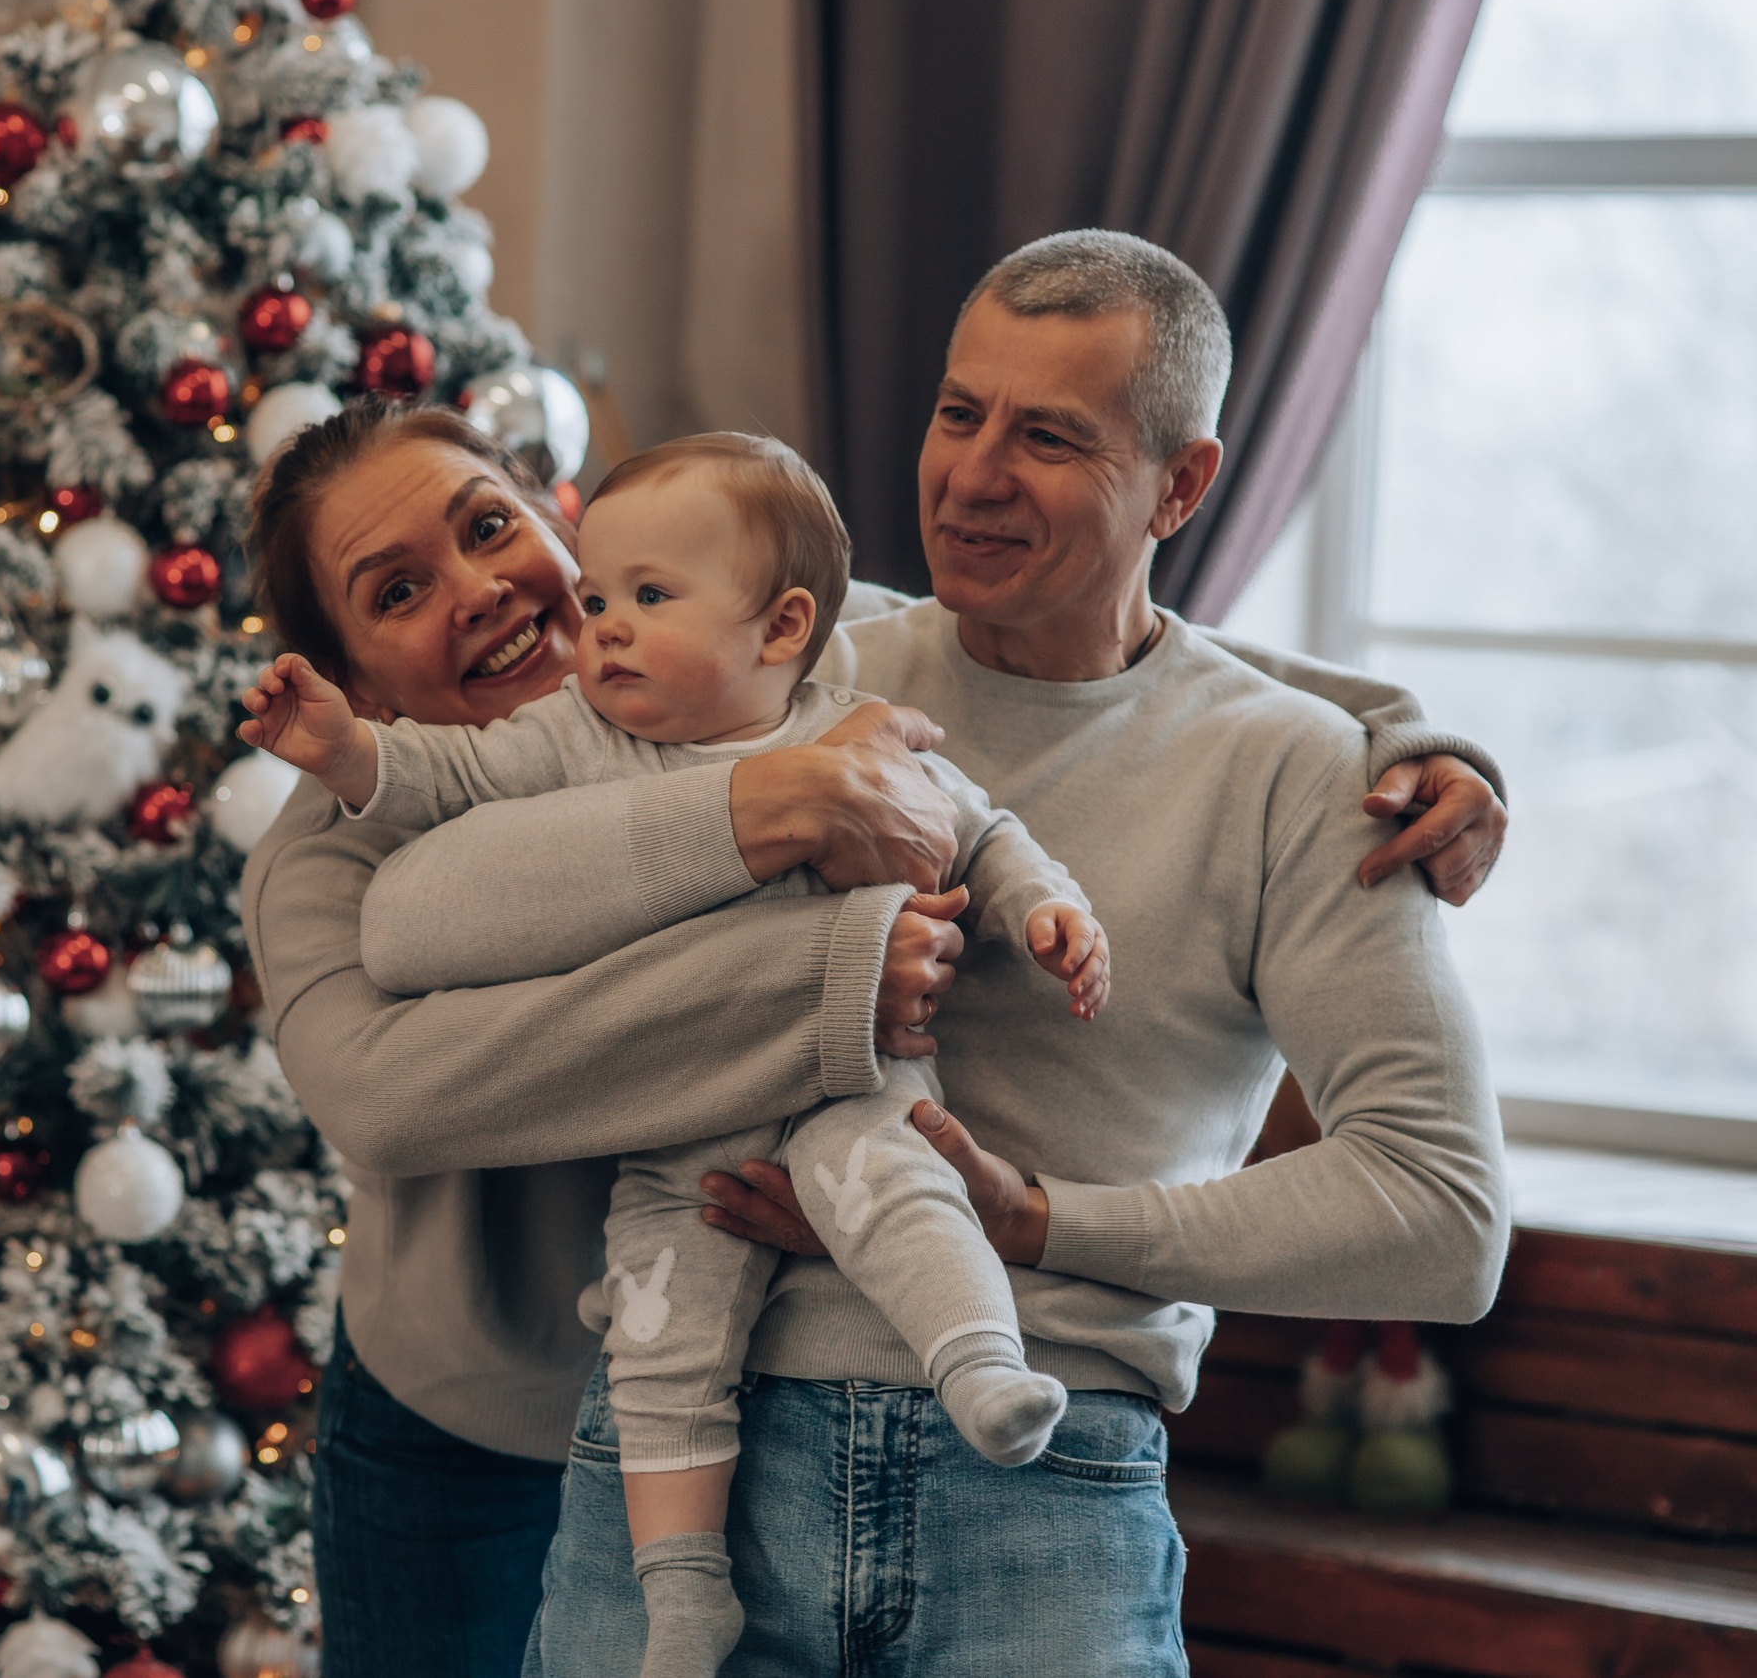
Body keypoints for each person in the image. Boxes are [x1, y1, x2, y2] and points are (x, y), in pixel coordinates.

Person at [239, 233, 1510, 1678]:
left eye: (1046, 433)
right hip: (536, 1396)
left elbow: (1165, 675)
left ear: (568, 525)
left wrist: (1407, 731)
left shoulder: (780, 661)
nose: (973, 473)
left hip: (999, 1442)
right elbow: (397, 1041)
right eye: (957, 412)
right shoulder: (393, 823)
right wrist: (784, 856)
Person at [242, 432, 1101, 1678]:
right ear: (357, 690)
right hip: (473, 1424)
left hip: (767, 1389)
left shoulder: (744, 643)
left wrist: (1406, 744)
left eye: (489, 528)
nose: (478, 587)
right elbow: (393, 1095)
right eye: (398, 591)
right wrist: (800, 896)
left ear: (562, 526)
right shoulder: (333, 851)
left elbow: (1100, 638)